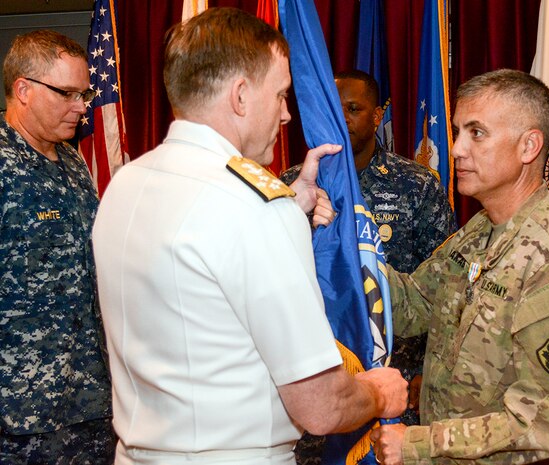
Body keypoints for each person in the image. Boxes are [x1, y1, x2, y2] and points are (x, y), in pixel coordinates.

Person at [92, 8, 408, 465]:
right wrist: (379, 394)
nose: (285, 115)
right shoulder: (256, 208)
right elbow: (320, 405)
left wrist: (288, 213)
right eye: (280, 95)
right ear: (240, 96)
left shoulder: (126, 183)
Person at [372, 69, 549, 465]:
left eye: (476, 133)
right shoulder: (481, 227)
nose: (457, 148)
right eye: (457, 131)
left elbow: (547, 422)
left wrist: (420, 444)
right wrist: (347, 243)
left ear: (529, 145)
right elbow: (414, 305)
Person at [281, 70, 456, 464]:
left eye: (354, 109)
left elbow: (446, 288)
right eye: (334, 109)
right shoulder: (293, 185)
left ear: (377, 117)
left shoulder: (417, 184)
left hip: (396, 382)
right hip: (317, 377)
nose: (342, 118)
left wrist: (430, 369)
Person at [0, 30, 115, 463]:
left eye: (84, 93)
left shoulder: (72, 160)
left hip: (89, 400)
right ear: (23, 90)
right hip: (20, 416)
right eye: (67, 93)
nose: (82, 106)